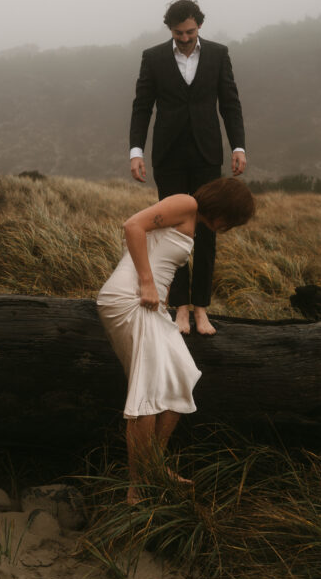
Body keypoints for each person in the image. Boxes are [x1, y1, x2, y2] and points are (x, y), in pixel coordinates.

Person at [96, 177, 256, 504]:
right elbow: (133, 226)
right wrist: (147, 283)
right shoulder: (186, 203)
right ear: (223, 206)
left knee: (182, 376)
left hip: (151, 305)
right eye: (231, 218)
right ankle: (138, 486)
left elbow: (162, 259)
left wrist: (161, 295)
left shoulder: (194, 221)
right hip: (130, 298)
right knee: (149, 391)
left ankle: (154, 464)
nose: (227, 227)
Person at [129, 0, 246, 336]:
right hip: (169, 157)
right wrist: (136, 151)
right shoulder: (152, 58)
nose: (184, 38)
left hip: (207, 154)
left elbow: (230, 103)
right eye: (178, 33)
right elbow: (142, 107)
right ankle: (179, 307)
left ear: (199, 27)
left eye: (190, 32)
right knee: (171, 231)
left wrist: (238, 145)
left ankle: (201, 310)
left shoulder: (219, 54)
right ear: (170, 29)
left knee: (207, 230)